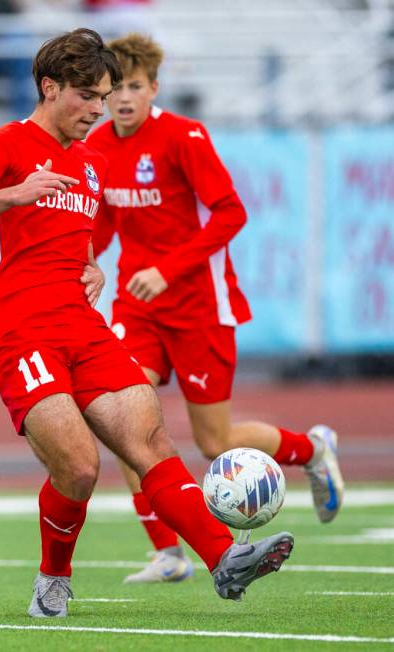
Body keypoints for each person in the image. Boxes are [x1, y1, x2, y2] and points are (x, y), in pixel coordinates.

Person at [0, 28, 294, 618]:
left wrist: (92, 266)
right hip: (19, 329)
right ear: (49, 89)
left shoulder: (92, 164)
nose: (99, 109)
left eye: (104, 95)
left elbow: (72, 240)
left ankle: (224, 557)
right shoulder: (8, 144)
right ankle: (53, 574)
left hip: (83, 324)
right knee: (79, 467)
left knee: (151, 440)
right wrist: (14, 193)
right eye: (87, 96)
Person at [84, 33, 343, 584]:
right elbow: (106, 218)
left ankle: (314, 449)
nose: (125, 98)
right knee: (124, 418)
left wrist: (168, 268)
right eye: (116, 90)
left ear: (154, 88)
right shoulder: (99, 147)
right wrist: (85, 260)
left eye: (136, 86)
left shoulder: (185, 137)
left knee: (214, 443)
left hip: (201, 305)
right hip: (138, 306)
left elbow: (230, 213)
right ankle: (167, 552)